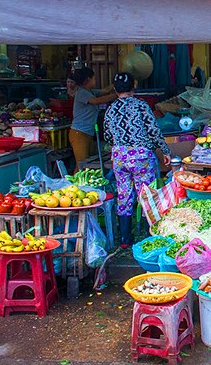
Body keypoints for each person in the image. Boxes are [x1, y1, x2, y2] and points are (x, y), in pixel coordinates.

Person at [104, 72, 172, 248]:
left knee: (124, 195)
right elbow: (153, 130)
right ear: (133, 87)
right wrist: (165, 150)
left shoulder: (110, 109)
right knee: (146, 194)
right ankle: (146, 236)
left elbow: (106, 135)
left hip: (120, 157)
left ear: (114, 88)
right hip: (141, 156)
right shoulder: (141, 106)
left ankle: (125, 240)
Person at [70, 67, 116, 171]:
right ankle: (74, 185)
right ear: (87, 80)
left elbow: (105, 91)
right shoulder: (82, 93)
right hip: (79, 133)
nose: (95, 80)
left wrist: (117, 85)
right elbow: (96, 101)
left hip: (86, 132)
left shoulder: (90, 91)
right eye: (94, 78)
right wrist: (117, 95)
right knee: (82, 164)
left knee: (86, 163)